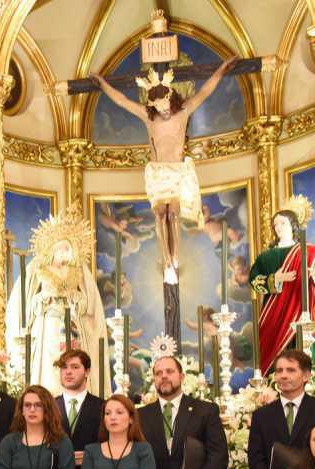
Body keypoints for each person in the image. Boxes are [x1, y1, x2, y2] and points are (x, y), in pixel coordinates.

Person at [93, 57, 237, 341]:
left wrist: (222, 68)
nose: (162, 111)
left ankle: (174, 257)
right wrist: (101, 83)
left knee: (172, 214)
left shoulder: (183, 113)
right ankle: (167, 261)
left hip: (178, 172)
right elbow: (121, 100)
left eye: (164, 105)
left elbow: (206, 91)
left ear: (171, 98)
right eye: (157, 107)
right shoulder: (149, 118)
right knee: (161, 214)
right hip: (158, 173)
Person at [6, 210, 106, 392]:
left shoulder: (79, 271)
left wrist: (77, 300)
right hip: (48, 324)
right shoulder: (37, 269)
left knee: (73, 357)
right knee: (48, 368)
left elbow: (89, 306)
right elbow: (25, 305)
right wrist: (43, 299)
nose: (65, 253)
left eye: (68, 249)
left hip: (73, 323)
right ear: (53, 249)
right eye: (62, 249)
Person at [138, 356, 230, 469]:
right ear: (154, 380)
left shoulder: (206, 411)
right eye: (158, 373)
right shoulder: (140, 416)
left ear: (181, 377)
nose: (164, 376)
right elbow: (135, 458)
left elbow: (218, 456)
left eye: (169, 371)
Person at [249, 201, 315, 373]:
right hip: (274, 315)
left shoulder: (310, 252)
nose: (278, 227)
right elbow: (254, 281)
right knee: (275, 358)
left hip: (303, 313)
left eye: (283, 223)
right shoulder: (266, 257)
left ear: (293, 225)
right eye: (275, 224)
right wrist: (276, 279)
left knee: (305, 356)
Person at [0, 385, 75, 469]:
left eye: (38, 405)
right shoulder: (8, 443)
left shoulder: (62, 442)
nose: (32, 409)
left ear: (47, 409)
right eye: (27, 405)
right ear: (22, 410)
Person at [55, 349, 103, 469]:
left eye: (75, 367)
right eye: (64, 367)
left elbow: (111, 445)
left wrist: (91, 457)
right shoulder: (48, 407)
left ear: (87, 371)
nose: (68, 372)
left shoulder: (103, 407)